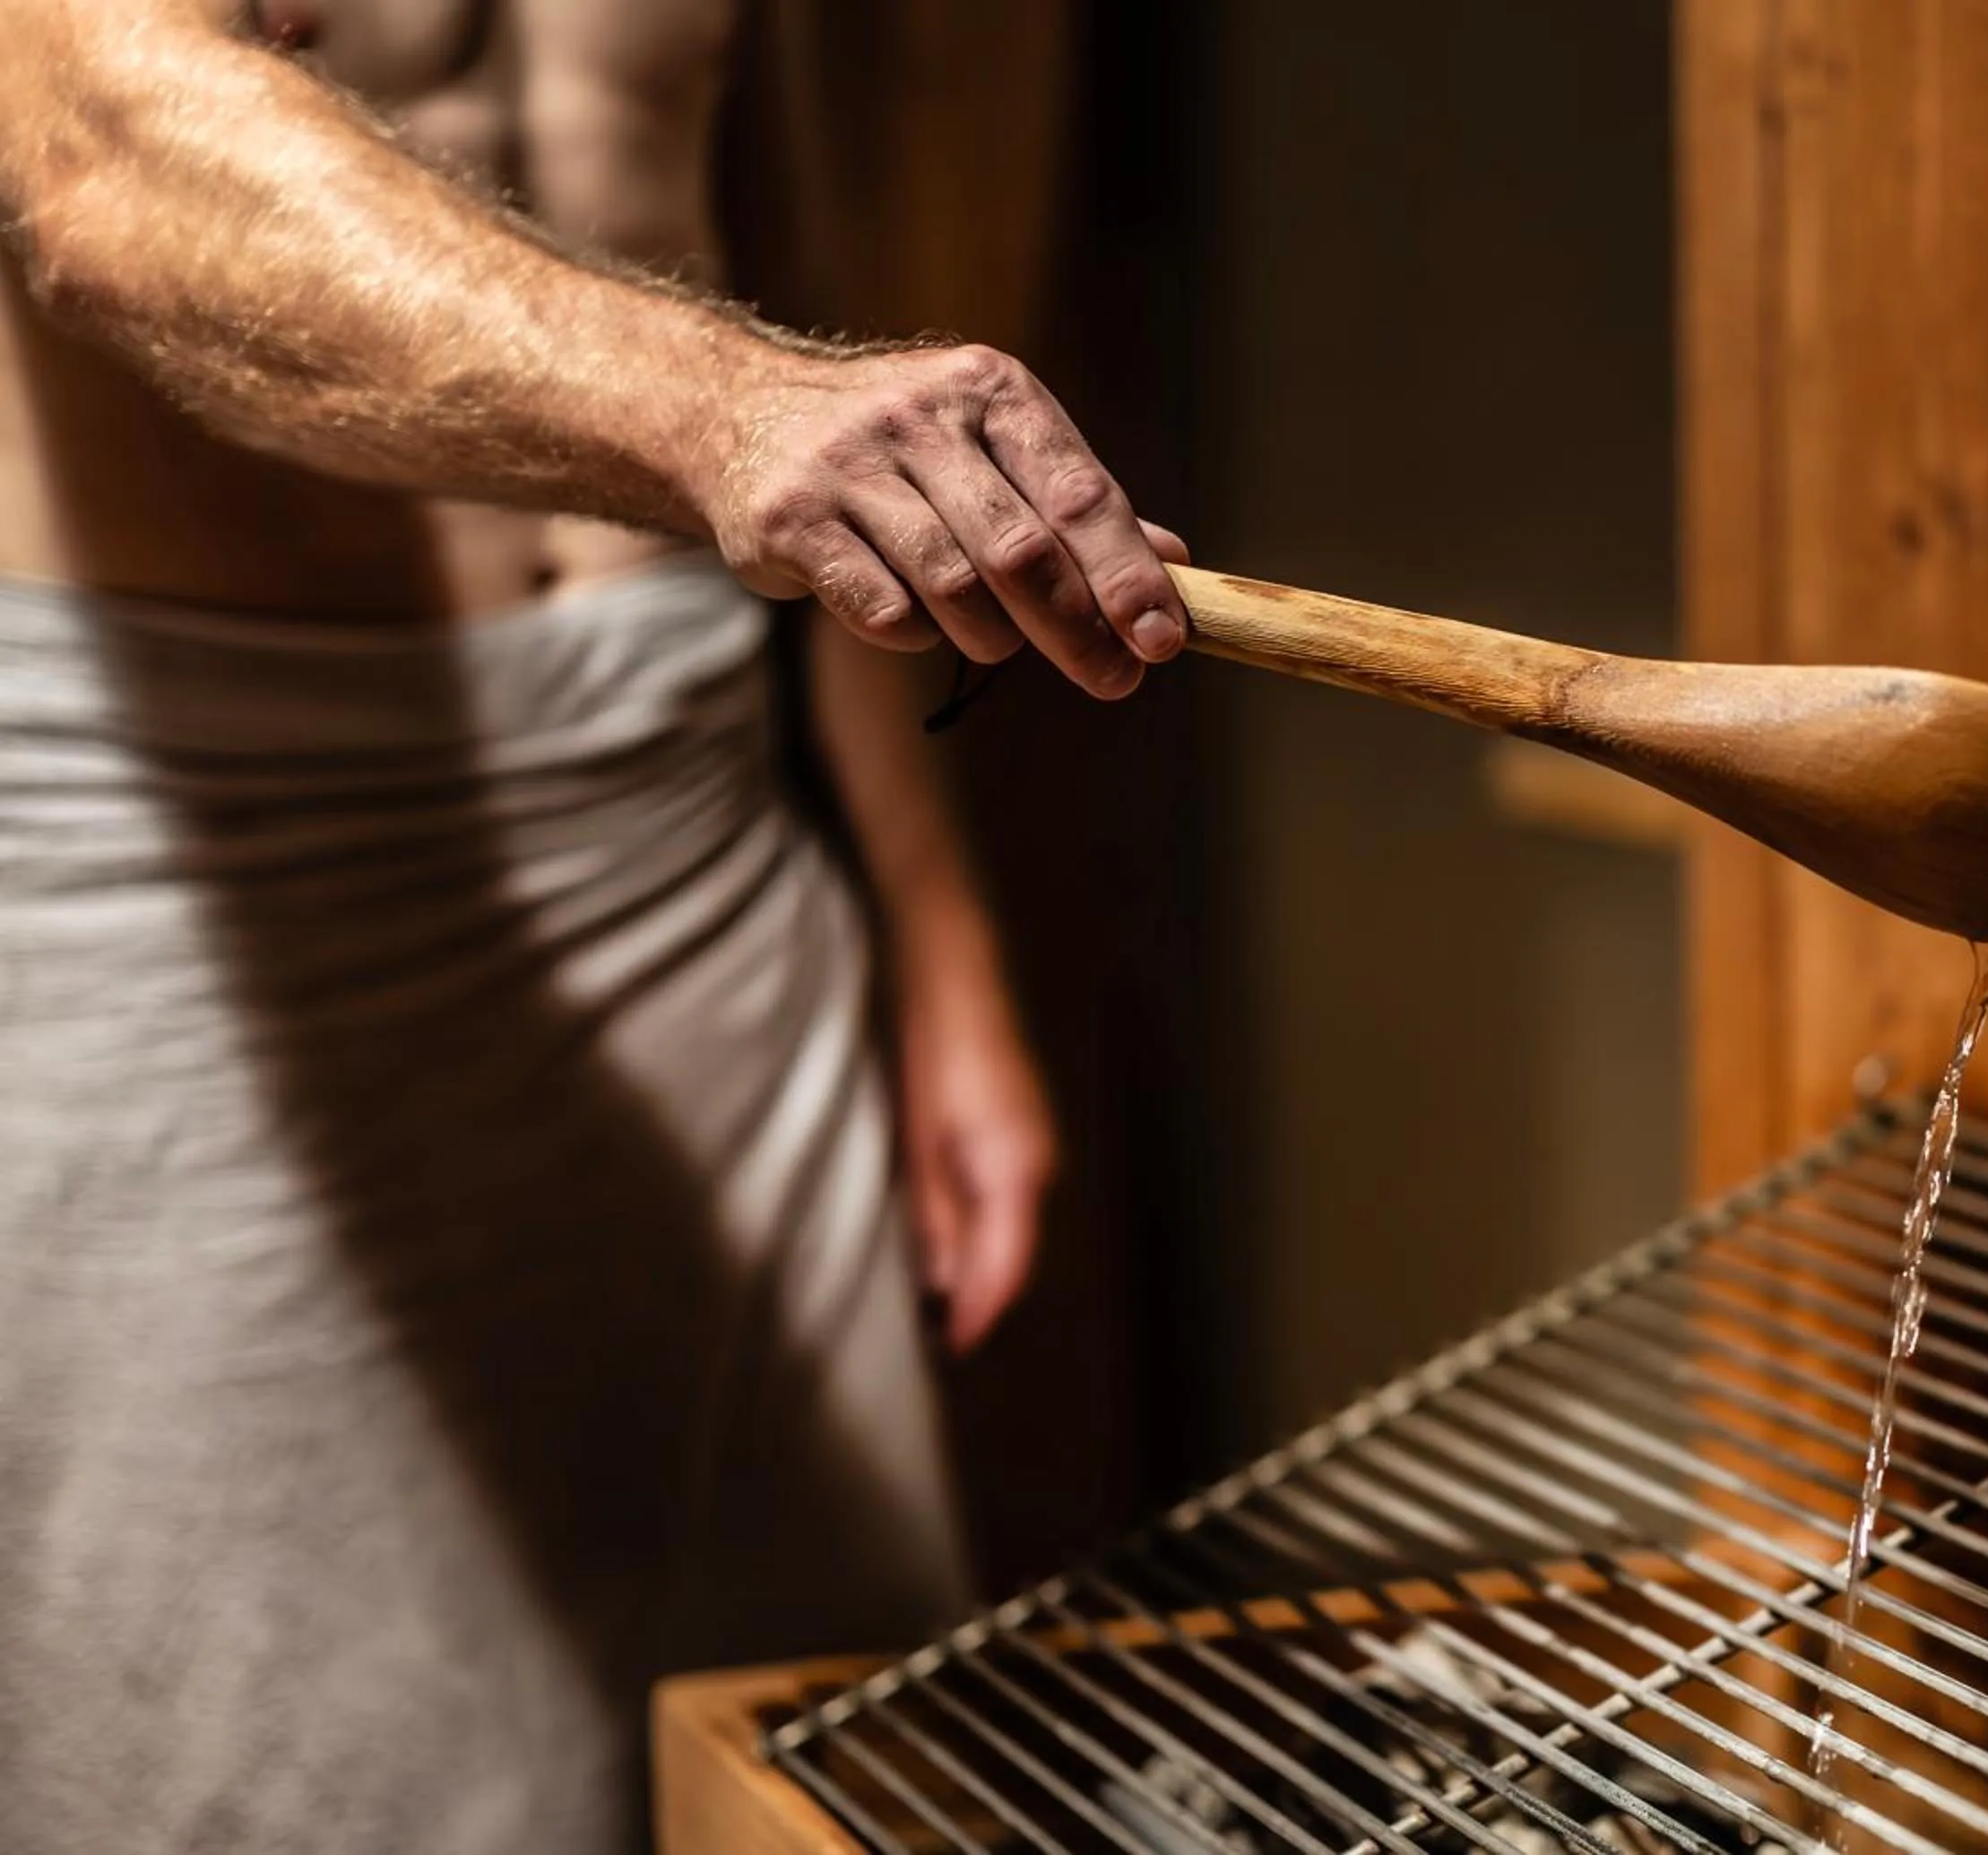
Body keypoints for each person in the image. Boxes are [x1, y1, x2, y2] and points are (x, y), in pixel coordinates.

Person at [0, 2, 1187, 1848]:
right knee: (261, 1773)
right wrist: (728, 412)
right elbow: (102, 163)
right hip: (202, 859)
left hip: (691, 829)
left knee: (801, 1725)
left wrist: (937, 948)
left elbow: (772, 278)